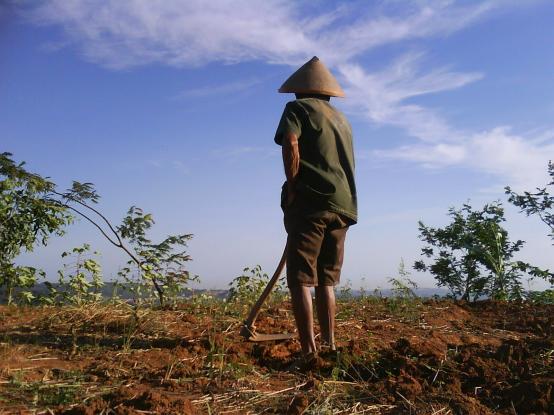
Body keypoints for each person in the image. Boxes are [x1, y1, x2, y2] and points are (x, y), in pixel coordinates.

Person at [274, 56, 357, 363]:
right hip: (344, 205)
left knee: (300, 279)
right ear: (327, 93)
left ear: (300, 91)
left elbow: (291, 143)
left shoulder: (296, 110)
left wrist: (293, 187)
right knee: (326, 280)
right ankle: (330, 346)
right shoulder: (342, 120)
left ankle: (309, 351)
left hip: (311, 202)